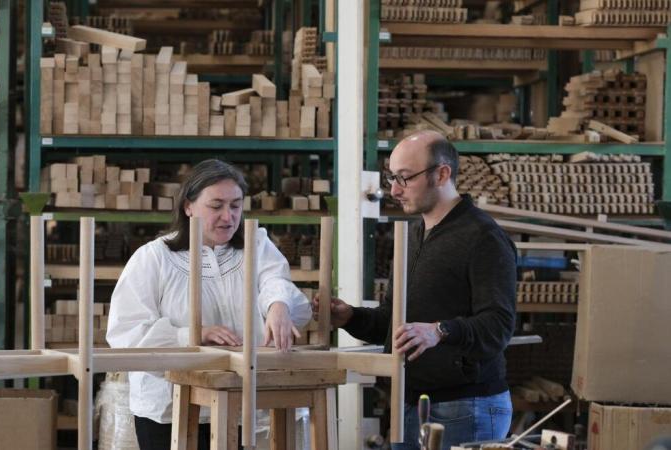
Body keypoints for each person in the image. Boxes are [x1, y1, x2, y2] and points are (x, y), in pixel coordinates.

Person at [313, 130, 516, 450]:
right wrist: (349, 316)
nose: (394, 189)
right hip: (412, 402)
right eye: (392, 177)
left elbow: (499, 326)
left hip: (465, 407)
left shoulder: (483, 237)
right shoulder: (414, 235)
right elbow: (394, 322)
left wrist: (440, 331)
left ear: (442, 174)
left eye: (405, 178)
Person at [107, 159, 312, 450]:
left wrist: (279, 304)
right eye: (216, 206)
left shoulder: (256, 245)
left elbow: (275, 280)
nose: (228, 216)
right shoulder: (153, 258)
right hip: (171, 413)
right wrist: (192, 335)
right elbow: (125, 333)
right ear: (188, 206)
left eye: (236, 205)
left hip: (246, 407)